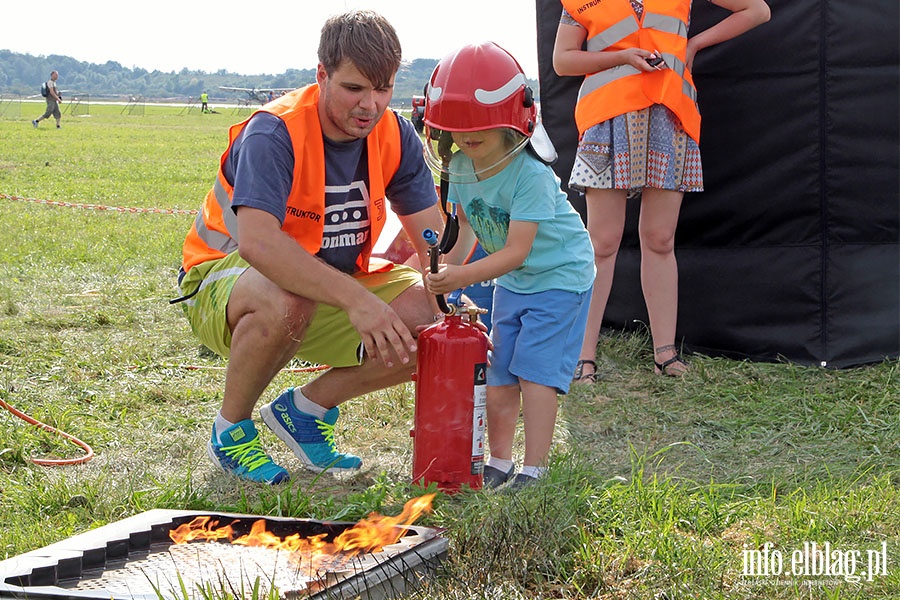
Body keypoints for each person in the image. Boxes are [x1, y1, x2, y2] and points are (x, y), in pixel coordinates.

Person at [174, 10, 445, 485]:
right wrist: (358, 301)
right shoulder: (274, 131)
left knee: (436, 326)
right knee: (288, 292)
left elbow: (432, 240)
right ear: (322, 75)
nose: (371, 105)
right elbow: (260, 245)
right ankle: (231, 428)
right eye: (354, 88)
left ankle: (305, 410)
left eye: (383, 89)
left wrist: (448, 295)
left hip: (329, 285)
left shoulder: (396, 133)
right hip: (222, 283)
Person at [553, 0, 770, 381]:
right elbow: (562, 60)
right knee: (601, 242)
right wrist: (621, 58)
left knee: (660, 238)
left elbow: (757, 9)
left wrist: (694, 45)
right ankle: (582, 356)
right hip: (606, 118)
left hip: (671, 116)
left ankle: (665, 354)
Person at [422, 42, 595, 490]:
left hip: (560, 278)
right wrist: (446, 271)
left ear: (511, 123)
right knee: (498, 374)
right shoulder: (459, 166)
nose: (467, 136)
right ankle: (499, 462)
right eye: (456, 129)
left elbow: (517, 249)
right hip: (515, 281)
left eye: (480, 125)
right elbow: (464, 228)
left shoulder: (530, 174)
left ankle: (535, 468)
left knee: (535, 374)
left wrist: (462, 276)